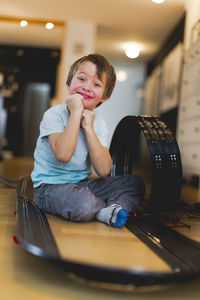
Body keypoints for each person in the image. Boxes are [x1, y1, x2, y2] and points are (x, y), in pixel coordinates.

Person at [31, 54, 145, 228]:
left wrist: (89, 128)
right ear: (69, 84)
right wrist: (76, 113)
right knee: (83, 203)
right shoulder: (54, 115)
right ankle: (101, 210)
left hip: (82, 185)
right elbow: (63, 154)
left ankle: (114, 207)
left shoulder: (98, 123)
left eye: (96, 84)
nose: (87, 87)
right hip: (49, 188)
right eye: (82, 79)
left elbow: (104, 170)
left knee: (134, 183)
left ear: (104, 97)